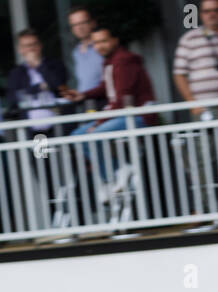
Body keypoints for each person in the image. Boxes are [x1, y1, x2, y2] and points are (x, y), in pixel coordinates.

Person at [62, 25, 157, 184]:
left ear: (115, 40)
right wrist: (82, 95)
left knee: (92, 135)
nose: (100, 46)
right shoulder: (109, 62)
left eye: (104, 41)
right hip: (121, 115)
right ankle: (116, 176)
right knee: (77, 136)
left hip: (139, 116)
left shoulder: (124, 61)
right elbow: (106, 87)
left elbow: (121, 99)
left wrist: (99, 122)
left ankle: (118, 175)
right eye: (96, 43)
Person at [6, 29, 68, 119]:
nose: (31, 49)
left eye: (34, 44)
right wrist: (38, 87)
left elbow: (59, 85)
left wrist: (39, 65)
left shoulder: (55, 65)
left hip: (58, 124)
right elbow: (12, 98)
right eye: (27, 46)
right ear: (20, 50)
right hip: (31, 129)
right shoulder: (16, 73)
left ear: (40, 45)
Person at [68, 6, 104, 94]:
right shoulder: (75, 52)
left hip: (105, 101)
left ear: (93, 23)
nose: (79, 27)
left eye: (83, 23)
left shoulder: (102, 46)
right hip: (86, 103)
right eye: (75, 25)